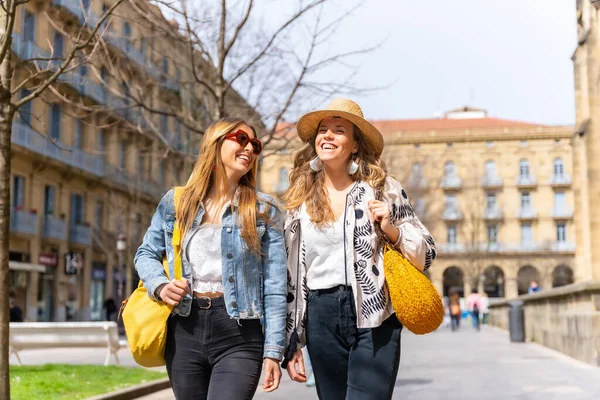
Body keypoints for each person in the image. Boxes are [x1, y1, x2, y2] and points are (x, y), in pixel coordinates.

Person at [281, 99, 437, 399]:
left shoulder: (383, 188)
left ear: (354, 145)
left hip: (374, 315)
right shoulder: (299, 200)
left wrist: (391, 228)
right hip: (320, 314)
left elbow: (426, 252)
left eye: (338, 130)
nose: (327, 136)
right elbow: (292, 275)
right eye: (322, 130)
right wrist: (293, 340)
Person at [134, 118, 287, 399]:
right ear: (215, 144)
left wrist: (274, 352)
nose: (249, 148)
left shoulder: (264, 210)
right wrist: (160, 285)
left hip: (239, 332)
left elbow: (276, 287)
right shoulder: (177, 202)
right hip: (184, 328)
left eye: (255, 144)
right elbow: (145, 253)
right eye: (241, 138)